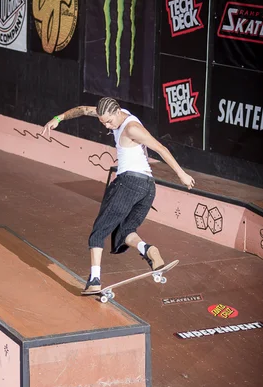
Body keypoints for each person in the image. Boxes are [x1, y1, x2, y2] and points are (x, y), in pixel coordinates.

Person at [42, 97, 195, 294]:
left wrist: (181, 174)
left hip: (129, 183)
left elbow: (160, 148)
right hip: (147, 189)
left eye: (109, 121)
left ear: (117, 113)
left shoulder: (131, 128)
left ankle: (94, 280)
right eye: (102, 122)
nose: (107, 125)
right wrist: (58, 118)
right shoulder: (111, 112)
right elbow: (81, 109)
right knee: (124, 233)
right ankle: (148, 250)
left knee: (99, 231)